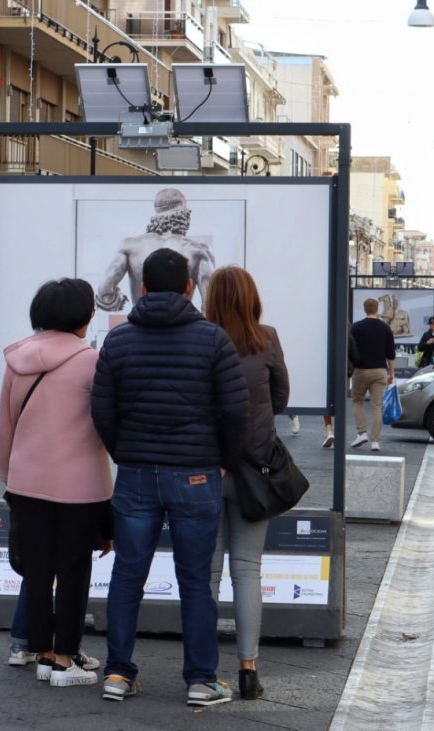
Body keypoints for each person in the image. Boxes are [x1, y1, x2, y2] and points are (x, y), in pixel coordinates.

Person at [91, 248, 248, 706]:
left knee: (126, 576)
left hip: (136, 473)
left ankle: (117, 675)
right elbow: (236, 410)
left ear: (141, 288)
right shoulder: (213, 339)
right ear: (186, 287)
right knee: (196, 579)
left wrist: (125, 451)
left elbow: (101, 409)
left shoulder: (118, 342)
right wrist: (223, 460)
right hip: (197, 473)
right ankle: (201, 680)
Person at [0, 278, 113, 688]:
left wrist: (11, 474)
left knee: (38, 571)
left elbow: (6, 426)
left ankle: (45, 654)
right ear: (83, 316)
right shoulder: (91, 362)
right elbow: (104, 424)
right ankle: (65, 660)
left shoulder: (16, 359)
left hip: (26, 482)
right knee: (74, 571)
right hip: (80, 486)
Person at [203, 265, 289, 701]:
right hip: (257, 471)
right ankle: (248, 669)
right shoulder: (267, 337)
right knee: (248, 569)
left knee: (207, 569)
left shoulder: (201, 337)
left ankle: (203, 670)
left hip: (206, 469)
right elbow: (280, 399)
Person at [95, 188, 215, 312]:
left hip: (141, 326)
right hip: (181, 325)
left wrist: (116, 301)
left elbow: (105, 290)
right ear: (183, 214)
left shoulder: (129, 246)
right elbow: (210, 305)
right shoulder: (198, 251)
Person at [350, 297, 396, 452]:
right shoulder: (385, 328)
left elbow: (350, 349)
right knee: (377, 406)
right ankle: (375, 441)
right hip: (380, 371)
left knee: (357, 401)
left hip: (360, 370)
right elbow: (391, 354)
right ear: (378, 310)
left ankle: (362, 433)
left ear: (365, 309)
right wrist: (392, 373)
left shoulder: (356, 327)